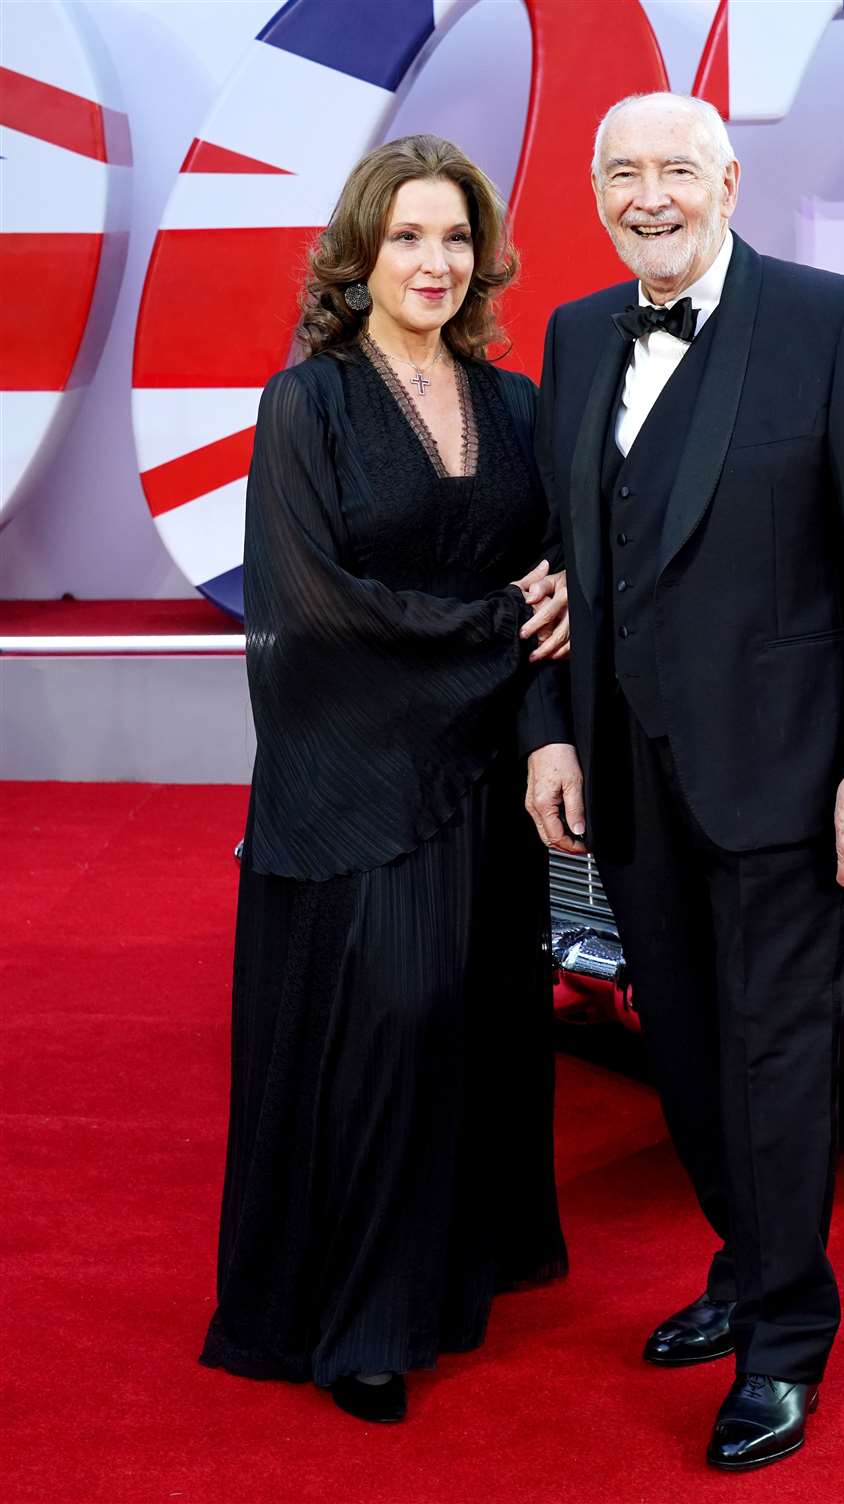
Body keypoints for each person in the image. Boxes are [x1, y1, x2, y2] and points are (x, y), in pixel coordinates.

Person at [521, 93, 844, 1470]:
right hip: (630, 781)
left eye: (677, 171)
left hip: (788, 776)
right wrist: (552, 731)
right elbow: (554, 569)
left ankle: (783, 1339)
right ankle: (745, 1258)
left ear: (729, 180)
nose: (650, 195)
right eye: (621, 171)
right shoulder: (579, 335)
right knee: (688, 1058)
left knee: (775, 1065)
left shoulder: (836, 323)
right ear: (593, 188)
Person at [200, 134, 569, 1425]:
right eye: (408, 236)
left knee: (467, 1032)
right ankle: (353, 1321)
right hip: (358, 777)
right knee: (383, 1033)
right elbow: (308, 610)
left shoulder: (518, 404)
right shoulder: (309, 403)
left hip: (484, 781)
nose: (435, 261)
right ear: (358, 254)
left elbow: (555, 587)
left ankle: (441, 1287)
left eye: (457, 238)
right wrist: (496, 626)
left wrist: (545, 664)